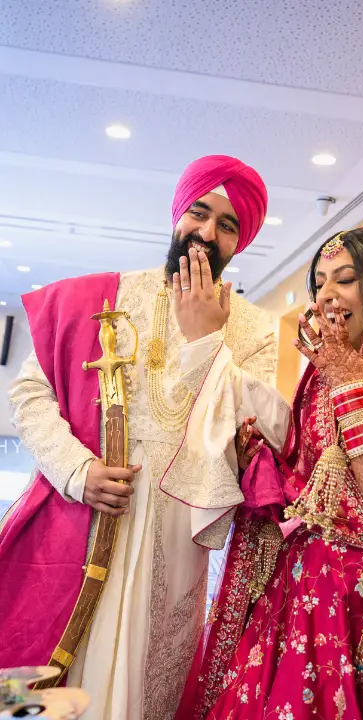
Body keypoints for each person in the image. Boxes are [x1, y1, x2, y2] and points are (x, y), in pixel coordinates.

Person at [0, 155, 279, 720]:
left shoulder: (254, 330)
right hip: (82, 516)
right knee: (55, 677)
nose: (206, 233)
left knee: (150, 682)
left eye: (226, 224)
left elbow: (259, 435)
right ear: (177, 214)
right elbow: (30, 395)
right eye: (198, 214)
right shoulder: (105, 296)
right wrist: (78, 471)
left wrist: (207, 341)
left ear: (240, 241)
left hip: (177, 537)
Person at [178, 227, 363, 720]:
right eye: (319, 283)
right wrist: (254, 458)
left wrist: (349, 386)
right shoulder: (317, 378)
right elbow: (305, 487)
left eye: (346, 279)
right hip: (296, 598)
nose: (326, 296)